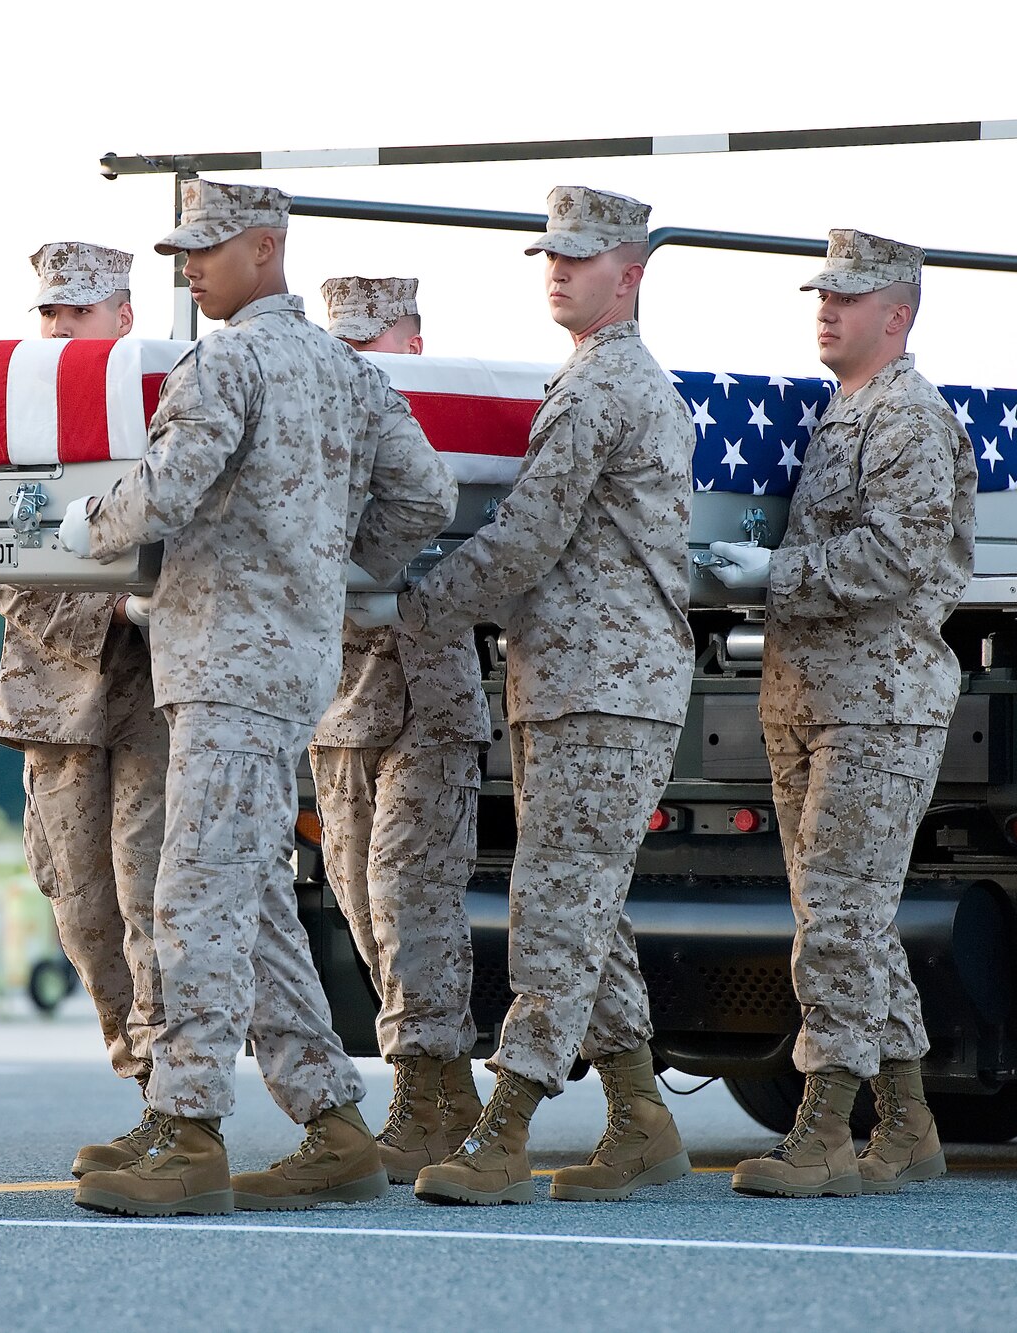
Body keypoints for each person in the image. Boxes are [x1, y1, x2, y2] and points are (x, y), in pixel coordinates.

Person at [62, 179, 455, 1217]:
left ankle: (187, 1129)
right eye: (182, 250)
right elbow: (426, 494)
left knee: (192, 894)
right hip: (285, 664)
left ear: (264, 248)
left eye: (205, 248)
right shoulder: (344, 370)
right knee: (255, 900)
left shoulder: (226, 358)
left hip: (227, 669)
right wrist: (330, 570)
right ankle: (329, 1120)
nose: (187, 265)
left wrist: (89, 527)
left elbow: (170, 484)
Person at [391, 186, 696, 1206]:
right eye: (550, 256)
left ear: (631, 273)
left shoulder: (601, 387)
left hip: (600, 687)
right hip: (574, 680)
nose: (557, 270)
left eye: (581, 257)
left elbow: (525, 536)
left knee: (556, 906)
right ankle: (642, 1119)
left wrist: (413, 605)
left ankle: (505, 1127)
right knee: (586, 905)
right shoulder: (589, 378)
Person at [709, 230, 974, 1198]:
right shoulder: (835, 413)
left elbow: (890, 561)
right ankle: (905, 1125)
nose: (824, 308)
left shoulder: (904, 420)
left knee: (836, 920)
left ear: (894, 314)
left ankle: (821, 1126)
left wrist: (772, 573)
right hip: (811, 694)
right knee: (846, 916)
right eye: (819, 294)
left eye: (846, 298)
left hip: (877, 703)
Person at [0, 241, 170, 1180]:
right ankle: (142, 1079)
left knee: (151, 901)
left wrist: (152, 605)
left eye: (79, 312)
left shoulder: (164, 403)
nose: (60, 328)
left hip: (152, 696)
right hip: (56, 699)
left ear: (123, 318)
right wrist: (107, 605)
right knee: (84, 912)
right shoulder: (14, 418)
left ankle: (170, 1106)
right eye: (49, 313)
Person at [308, 276, 488, 1184]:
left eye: (370, 342)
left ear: (413, 344)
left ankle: (423, 1093)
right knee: (362, 910)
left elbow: (432, 502)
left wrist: (356, 572)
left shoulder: (418, 426)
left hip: (426, 695)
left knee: (410, 904)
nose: (355, 361)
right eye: (343, 344)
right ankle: (447, 1091)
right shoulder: (323, 422)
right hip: (341, 704)